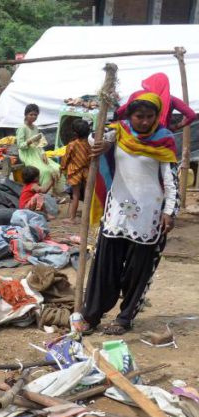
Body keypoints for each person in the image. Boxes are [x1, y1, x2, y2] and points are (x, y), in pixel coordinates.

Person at [82, 92, 178, 335]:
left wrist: (170, 211)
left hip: (149, 216)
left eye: (150, 116)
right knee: (104, 267)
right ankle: (91, 316)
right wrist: (105, 144)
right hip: (117, 212)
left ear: (157, 116)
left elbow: (171, 180)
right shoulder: (119, 131)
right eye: (139, 116)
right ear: (129, 115)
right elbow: (93, 139)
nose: (144, 122)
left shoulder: (164, 139)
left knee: (138, 271)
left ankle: (125, 319)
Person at [115, 72, 197, 132]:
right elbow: (191, 115)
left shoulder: (138, 95)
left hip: (137, 133)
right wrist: (176, 126)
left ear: (150, 82)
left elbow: (120, 112)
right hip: (161, 135)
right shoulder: (172, 99)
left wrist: (124, 124)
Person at [16, 104, 62, 194]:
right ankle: (42, 193)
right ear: (26, 115)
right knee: (45, 171)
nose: (33, 117)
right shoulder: (22, 128)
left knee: (57, 167)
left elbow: (39, 145)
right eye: (31, 114)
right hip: (27, 154)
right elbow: (20, 146)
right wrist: (30, 141)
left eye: (35, 115)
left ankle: (53, 193)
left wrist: (43, 153)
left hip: (37, 153)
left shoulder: (36, 128)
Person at [60, 118, 91, 223]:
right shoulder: (89, 144)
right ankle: (87, 217)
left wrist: (62, 168)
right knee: (87, 194)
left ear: (75, 133)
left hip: (74, 172)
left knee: (75, 195)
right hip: (87, 171)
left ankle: (72, 218)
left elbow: (66, 158)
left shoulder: (72, 145)